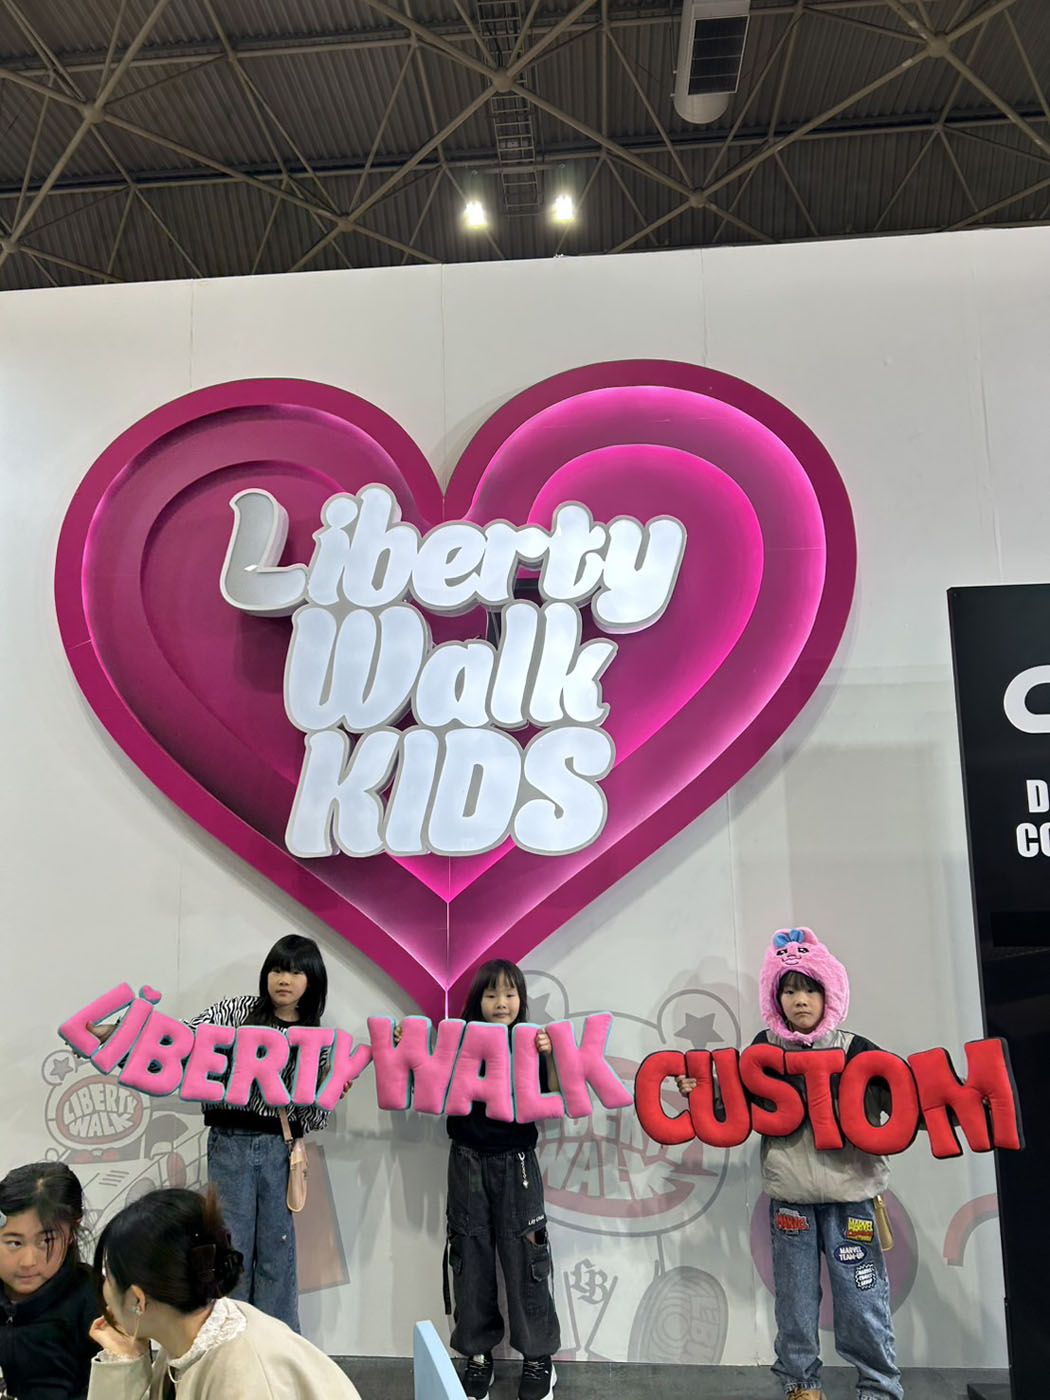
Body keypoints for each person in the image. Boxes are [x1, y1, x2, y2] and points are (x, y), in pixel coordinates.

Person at [677, 927, 902, 1400]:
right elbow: (731, 1105)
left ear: (829, 992)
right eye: (789, 990)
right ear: (775, 998)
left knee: (861, 1299)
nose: (800, 1000)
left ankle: (879, 1387)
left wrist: (960, 1107)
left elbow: (906, 1105)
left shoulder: (858, 1050)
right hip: (791, 1201)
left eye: (810, 989)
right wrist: (700, 1093)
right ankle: (801, 1383)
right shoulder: (764, 1052)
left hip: (852, 1198)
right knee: (795, 1299)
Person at [410, 959, 562, 1400]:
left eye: (510, 994)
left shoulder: (530, 1043)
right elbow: (425, 1079)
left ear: (521, 1000)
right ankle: (478, 1354)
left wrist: (552, 1054)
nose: (501, 1003)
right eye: (491, 994)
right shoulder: (458, 1044)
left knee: (527, 1258)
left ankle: (538, 1357)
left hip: (517, 1162)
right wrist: (405, 1046)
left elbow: (557, 1094)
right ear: (477, 1000)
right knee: (470, 1255)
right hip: (467, 1160)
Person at [181, 934, 339, 1334]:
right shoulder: (235, 1011)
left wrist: (327, 1090)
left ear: (312, 980)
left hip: (278, 1148)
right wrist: (118, 1037)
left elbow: (312, 1118)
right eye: (277, 969)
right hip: (229, 1141)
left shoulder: (314, 1036)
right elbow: (179, 1043)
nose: (284, 979)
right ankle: (229, 1342)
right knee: (230, 1248)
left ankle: (276, 1345)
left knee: (277, 1250)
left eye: (296, 972)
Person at [87, 1186, 362, 1398]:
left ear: (138, 1299)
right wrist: (125, 1361)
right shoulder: (183, 1335)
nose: (104, 1288)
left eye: (108, 1276)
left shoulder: (243, 1374)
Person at [0, 1161, 98, 1400]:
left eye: (46, 1241)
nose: (28, 1261)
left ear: (72, 1230)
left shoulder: (95, 1299)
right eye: (14, 1243)